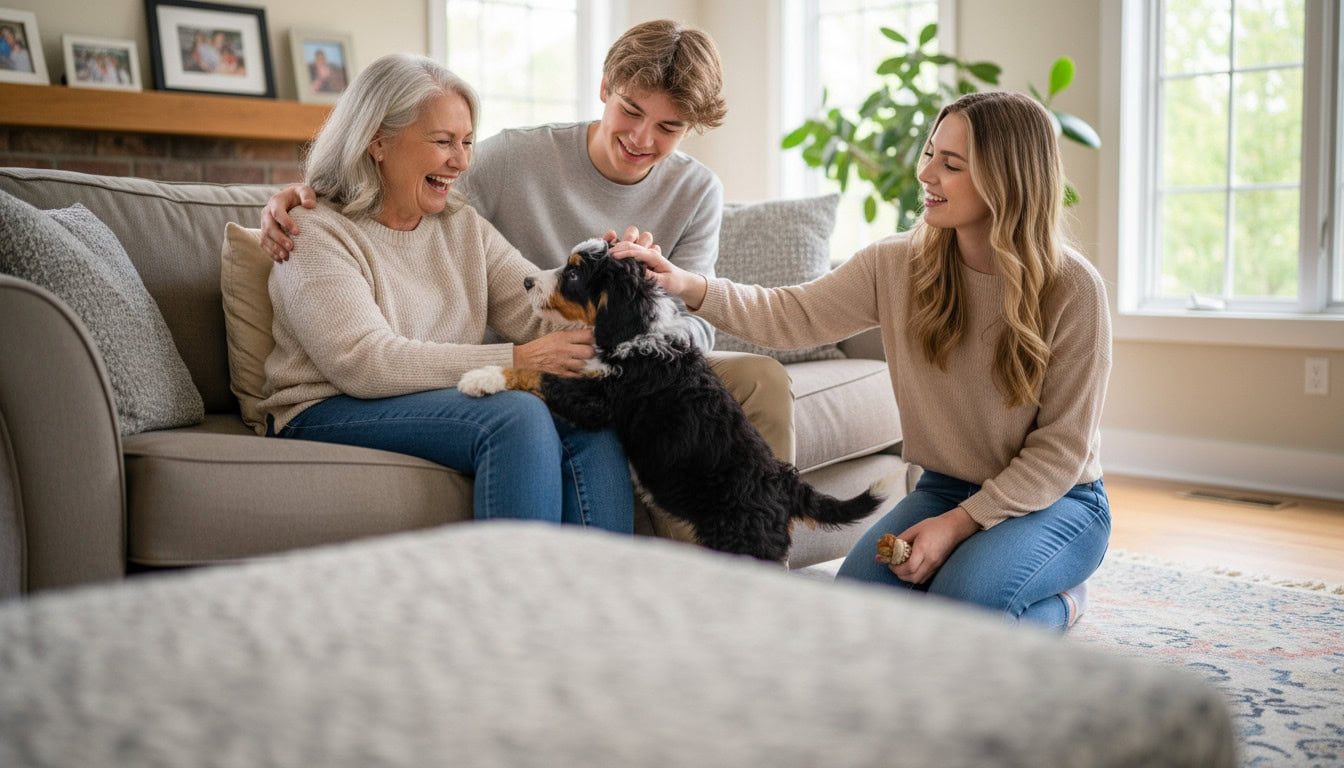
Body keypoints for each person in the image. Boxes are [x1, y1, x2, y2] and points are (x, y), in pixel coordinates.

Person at [613, 91, 1111, 631]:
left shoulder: (1073, 289)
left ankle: (1063, 604)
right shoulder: (896, 263)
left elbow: (1062, 451)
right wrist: (686, 284)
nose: (927, 174)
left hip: (1057, 502)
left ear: (1007, 179)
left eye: (951, 164)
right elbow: (791, 314)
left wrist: (960, 525)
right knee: (855, 617)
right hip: (946, 486)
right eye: (929, 153)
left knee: (962, 613)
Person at [258, 19, 797, 468]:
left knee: (740, 382)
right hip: (448, 377)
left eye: (668, 127)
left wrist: (632, 312)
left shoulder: (697, 190)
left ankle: (724, 573)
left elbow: (688, 324)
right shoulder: (513, 159)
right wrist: (305, 192)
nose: (641, 138)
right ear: (605, 87)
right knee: (544, 410)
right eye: (632, 112)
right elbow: (394, 191)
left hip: (630, 352)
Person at [258, 52, 634, 533]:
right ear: (378, 142)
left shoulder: (462, 226)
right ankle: (509, 602)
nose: (460, 161)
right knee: (516, 415)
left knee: (589, 414)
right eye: (442, 142)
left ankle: (600, 599)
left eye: (467, 142)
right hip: (324, 407)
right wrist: (516, 359)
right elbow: (362, 361)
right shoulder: (310, 231)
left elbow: (537, 315)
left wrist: (617, 281)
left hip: (431, 396)